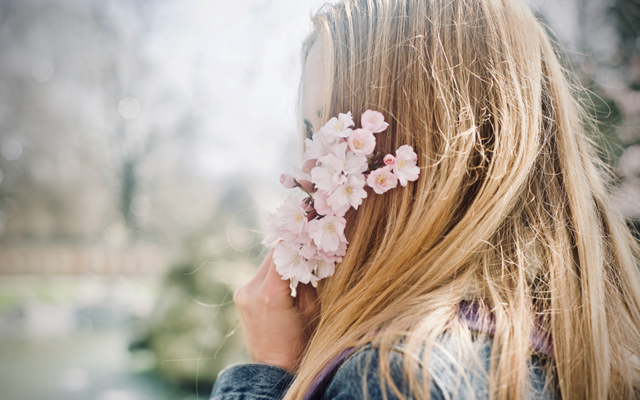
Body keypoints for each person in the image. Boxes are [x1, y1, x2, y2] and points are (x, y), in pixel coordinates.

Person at [211, 0, 640, 399]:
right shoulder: (560, 345)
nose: (307, 173)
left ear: (436, 150)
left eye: (333, 130)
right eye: (309, 133)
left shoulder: (393, 377)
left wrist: (270, 371)